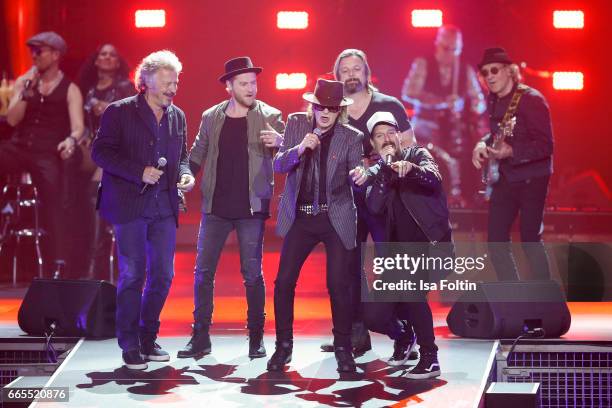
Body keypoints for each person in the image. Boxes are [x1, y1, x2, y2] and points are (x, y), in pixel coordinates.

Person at [92, 50, 195, 370]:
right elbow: (101, 153)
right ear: (146, 81)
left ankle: (149, 336)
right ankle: (129, 342)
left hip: (164, 207)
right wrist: (139, 171)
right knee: (133, 273)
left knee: (164, 275)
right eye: (166, 83)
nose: (172, 89)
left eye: (175, 83)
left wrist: (185, 174)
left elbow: (183, 156)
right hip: (129, 204)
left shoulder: (177, 116)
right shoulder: (119, 112)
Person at [178, 57, 284, 360]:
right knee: (203, 272)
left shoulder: (271, 115)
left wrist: (280, 141)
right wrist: (186, 174)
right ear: (229, 86)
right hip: (216, 206)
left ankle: (256, 337)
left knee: (252, 273)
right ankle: (200, 336)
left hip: (251, 207)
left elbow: (290, 155)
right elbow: (196, 152)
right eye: (244, 83)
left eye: (253, 82)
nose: (251, 88)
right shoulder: (211, 117)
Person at [319, 48, 415, 355]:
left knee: (392, 264)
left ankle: (404, 332)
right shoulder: (332, 109)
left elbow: (409, 147)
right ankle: (356, 334)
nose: (350, 73)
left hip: (386, 199)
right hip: (345, 201)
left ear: (367, 72)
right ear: (337, 75)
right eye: (344, 69)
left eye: (356, 68)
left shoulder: (388, 105)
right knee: (349, 268)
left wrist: (376, 163)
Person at [267, 79, 363, 373]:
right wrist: (299, 148)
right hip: (302, 217)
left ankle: (344, 349)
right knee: (284, 282)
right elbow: (279, 165)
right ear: (313, 106)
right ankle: (283, 347)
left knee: (338, 284)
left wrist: (360, 173)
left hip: (335, 216)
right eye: (320, 107)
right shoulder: (297, 123)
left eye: (332, 109)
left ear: (339, 111)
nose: (325, 113)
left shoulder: (351, 136)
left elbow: (354, 171)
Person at [352, 111, 452, 379]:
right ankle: (405, 335)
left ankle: (430, 357)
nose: (386, 139)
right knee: (373, 314)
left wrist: (412, 170)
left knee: (412, 292)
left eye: (389, 133)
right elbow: (373, 205)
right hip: (401, 258)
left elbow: (434, 178)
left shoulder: (417, 155)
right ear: (372, 144)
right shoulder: (379, 173)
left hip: (433, 248)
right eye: (379, 136)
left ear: (398, 136)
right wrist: (384, 172)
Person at [1, 31, 84, 274]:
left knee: (53, 194)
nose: (34, 56)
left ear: (56, 55)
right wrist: (26, 91)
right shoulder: (24, 82)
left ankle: (59, 260)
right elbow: (13, 121)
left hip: (47, 150)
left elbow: (78, 127)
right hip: (20, 147)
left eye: (40, 51)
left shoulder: (70, 89)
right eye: (32, 51)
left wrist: (70, 140)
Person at [472, 47, 553, 281]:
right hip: (506, 178)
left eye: (494, 70)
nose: (489, 76)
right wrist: (481, 144)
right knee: (496, 242)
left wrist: (512, 151)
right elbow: (495, 133)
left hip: (532, 179)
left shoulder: (531, 100)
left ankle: (542, 302)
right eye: (485, 72)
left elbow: (546, 146)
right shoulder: (494, 100)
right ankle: (513, 296)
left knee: (529, 239)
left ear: (509, 71)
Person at [402, 25, 486, 205]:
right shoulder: (423, 63)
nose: (450, 54)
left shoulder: (465, 70)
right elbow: (408, 92)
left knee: (467, 154)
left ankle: (461, 196)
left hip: (453, 130)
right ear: (437, 44)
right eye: (446, 48)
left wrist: (466, 108)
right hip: (425, 125)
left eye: (455, 50)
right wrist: (439, 101)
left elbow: (479, 102)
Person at [78, 43, 134, 279]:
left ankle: (97, 262)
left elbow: (135, 119)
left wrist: (110, 110)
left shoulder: (125, 87)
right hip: (90, 147)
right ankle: (77, 256)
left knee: (98, 188)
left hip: (117, 149)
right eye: (103, 54)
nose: (108, 57)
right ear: (96, 60)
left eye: (113, 54)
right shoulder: (87, 90)